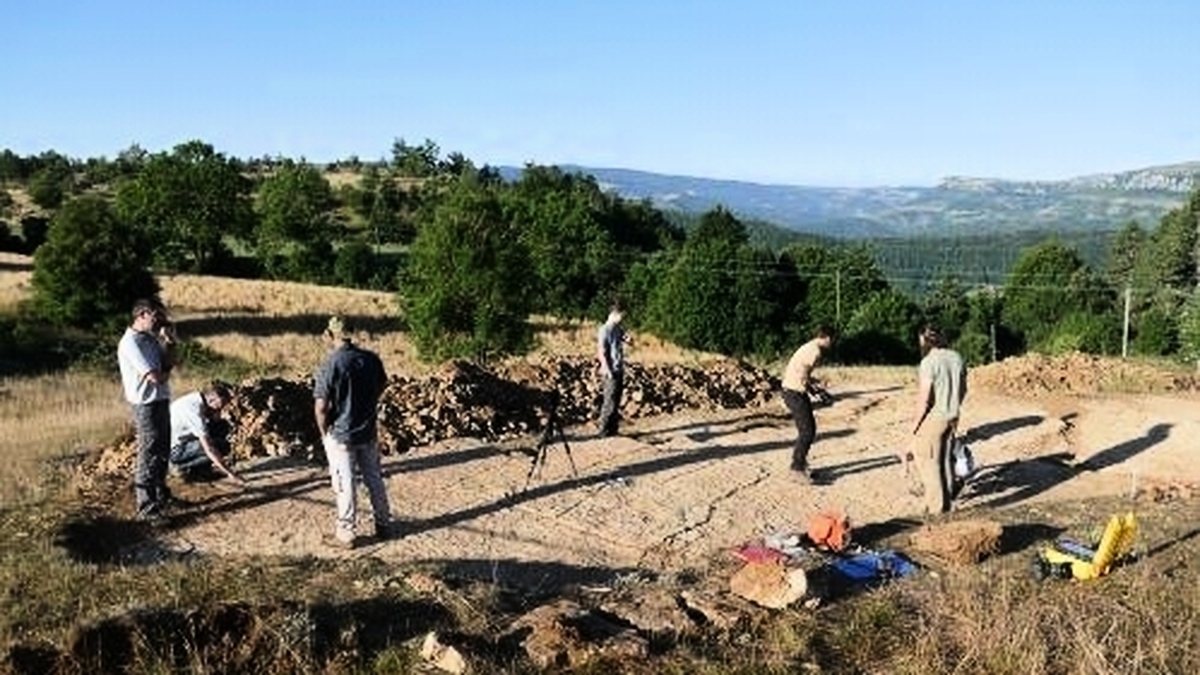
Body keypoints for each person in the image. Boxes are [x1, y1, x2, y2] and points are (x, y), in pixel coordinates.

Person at [313, 316, 394, 549]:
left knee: (344, 483)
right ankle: (384, 525)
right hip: (367, 430)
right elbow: (381, 385)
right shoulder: (370, 359)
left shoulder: (331, 364)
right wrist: (366, 407)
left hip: (341, 433)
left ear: (330, 335)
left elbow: (321, 407)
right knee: (374, 478)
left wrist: (323, 432)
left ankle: (346, 534)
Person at [117, 298, 177, 522]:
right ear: (142, 315)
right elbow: (156, 377)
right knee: (148, 454)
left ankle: (161, 496)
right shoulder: (130, 343)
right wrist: (166, 371)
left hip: (160, 400)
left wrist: (170, 342)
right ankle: (146, 508)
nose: (160, 320)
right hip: (146, 405)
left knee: (162, 451)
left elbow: (170, 362)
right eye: (156, 315)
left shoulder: (149, 339)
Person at [908, 324, 968, 515]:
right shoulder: (956, 357)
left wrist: (914, 428)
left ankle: (937, 510)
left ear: (925, 340)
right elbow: (963, 390)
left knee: (927, 461)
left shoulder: (928, 362)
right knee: (944, 459)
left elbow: (924, 400)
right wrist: (952, 405)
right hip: (953, 417)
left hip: (936, 418)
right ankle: (948, 495)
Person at [780, 325, 835, 480]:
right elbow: (803, 373)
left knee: (808, 430)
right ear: (828, 338)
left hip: (793, 391)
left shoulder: (809, 346)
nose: (832, 344)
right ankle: (796, 468)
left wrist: (814, 388)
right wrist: (816, 391)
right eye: (832, 340)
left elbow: (802, 372)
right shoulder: (815, 351)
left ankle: (800, 465)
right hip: (794, 393)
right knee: (807, 431)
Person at [168, 381, 247, 485]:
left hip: (182, 439)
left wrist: (215, 414)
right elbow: (209, 448)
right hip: (175, 450)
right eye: (221, 404)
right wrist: (230, 473)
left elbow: (213, 421)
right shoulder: (193, 412)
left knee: (221, 426)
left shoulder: (198, 398)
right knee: (219, 446)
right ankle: (179, 467)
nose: (222, 408)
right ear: (212, 398)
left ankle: (202, 471)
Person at [595, 303, 628, 437]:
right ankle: (603, 431)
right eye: (622, 316)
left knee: (616, 401)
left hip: (619, 368)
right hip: (610, 371)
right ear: (614, 314)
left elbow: (624, 337)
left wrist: (628, 339)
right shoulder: (605, 329)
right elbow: (601, 352)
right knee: (609, 401)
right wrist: (607, 370)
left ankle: (613, 430)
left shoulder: (617, 328)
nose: (623, 319)